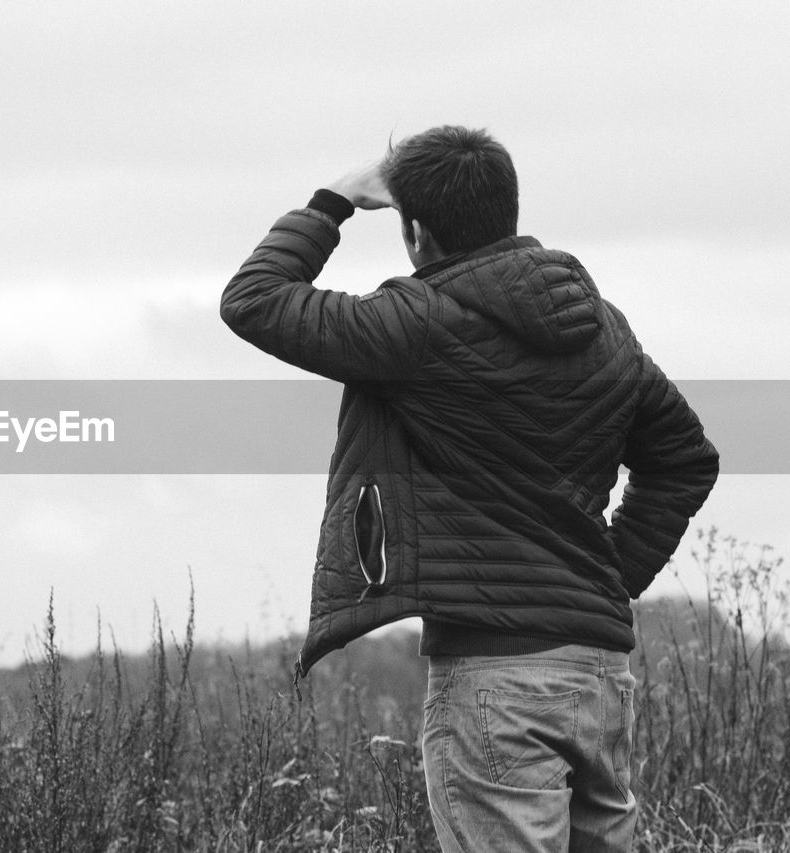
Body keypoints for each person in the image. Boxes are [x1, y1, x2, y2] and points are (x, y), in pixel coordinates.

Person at [219, 125, 719, 851]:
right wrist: (609, 577)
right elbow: (685, 458)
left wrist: (331, 203)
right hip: (597, 671)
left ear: (416, 232)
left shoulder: (416, 324)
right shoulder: (604, 329)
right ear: (507, 211)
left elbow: (255, 299)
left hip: (493, 674)